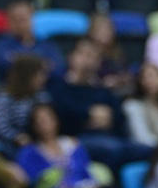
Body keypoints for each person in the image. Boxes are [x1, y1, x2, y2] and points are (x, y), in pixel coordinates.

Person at [47, 39, 149, 167]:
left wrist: (109, 117)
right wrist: (89, 114)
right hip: (76, 139)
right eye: (83, 54)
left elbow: (118, 115)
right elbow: (61, 113)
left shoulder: (102, 89)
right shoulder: (60, 86)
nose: (87, 60)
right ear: (71, 57)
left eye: (92, 57)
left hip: (109, 138)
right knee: (112, 149)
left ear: (98, 63)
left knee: (148, 151)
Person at [15, 104, 108, 188]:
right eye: (39, 121)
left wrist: (91, 186)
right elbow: (29, 185)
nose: (44, 124)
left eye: (48, 119)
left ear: (56, 120)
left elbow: (86, 171)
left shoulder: (73, 144)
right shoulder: (28, 153)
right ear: (33, 125)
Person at [0, 0, 64, 81]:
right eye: (14, 19)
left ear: (32, 19)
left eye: (22, 19)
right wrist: (43, 64)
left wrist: (17, 60)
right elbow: (3, 64)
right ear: (8, 21)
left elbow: (59, 69)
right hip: (11, 90)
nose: (19, 24)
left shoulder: (47, 44)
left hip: (45, 90)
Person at [0, 54, 50, 150]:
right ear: (28, 75)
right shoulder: (5, 97)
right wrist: (16, 137)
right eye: (39, 74)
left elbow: (50, 120)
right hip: (12, 145)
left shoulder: (42, 96)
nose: (43, 78)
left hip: (40, 143)